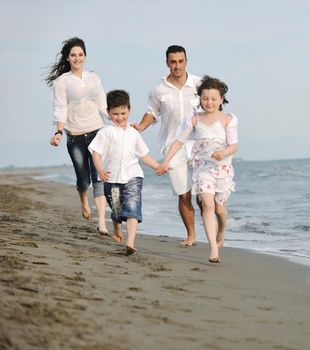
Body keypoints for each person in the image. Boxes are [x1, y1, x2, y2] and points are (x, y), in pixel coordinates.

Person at [158, 75, 238, 263]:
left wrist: (224, 152)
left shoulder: (228, 119)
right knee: (207, 204)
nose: (209, 102)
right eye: (205, 98)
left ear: (221, 99)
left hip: (223, 168)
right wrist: (166, 161)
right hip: (202, 168)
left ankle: (222, 231)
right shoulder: (194, 119)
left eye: (213, 99)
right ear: (199, 98)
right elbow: (178, 141)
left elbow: (234, 146)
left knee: (220, 209)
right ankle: (213, 249)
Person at [132, 45, 201, 247]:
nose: (177, 66)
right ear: (167, 63)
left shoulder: (199, 84)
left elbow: (212, 105)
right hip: (172, 147)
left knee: (204, 195)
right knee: (184, 193)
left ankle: (211, 229)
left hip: (198, 144)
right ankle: (191, 236)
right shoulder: (158, 90)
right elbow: (152, 113)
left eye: (180, 61)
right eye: (173, 62)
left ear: (186, 61)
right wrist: (141, 127)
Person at [45, 37, 109, 236]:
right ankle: (83, 200)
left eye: (80, 55)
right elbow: (60, 108)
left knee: (99, 177)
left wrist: (116, 120)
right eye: (73, 55)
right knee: (84, 180)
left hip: (97, 132)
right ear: (67, 58)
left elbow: (102, 105)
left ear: (85, 57)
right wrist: (58, 132)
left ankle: (102, 223)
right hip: (75, 137)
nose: (77, 58)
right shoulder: (62, 82)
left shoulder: (94, 78)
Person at [88, 90, 160, 255]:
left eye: (123, 113)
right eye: (115, 114)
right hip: (111, 177)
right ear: (108, 113)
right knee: (117, 209)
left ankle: (130, 242)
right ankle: (116, 226)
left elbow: (144, 155)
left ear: (129, 110)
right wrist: (100, 170)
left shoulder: (134, 133)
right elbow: (96, 153)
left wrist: (157, 166)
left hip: (133, 175)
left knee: (132, 206)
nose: (120, 117)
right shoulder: (105, 132)